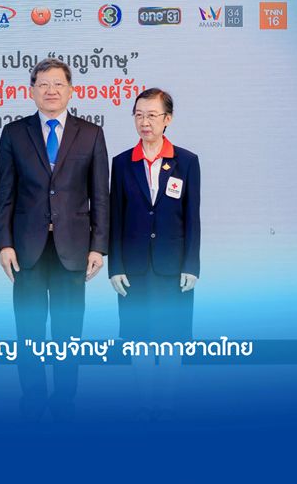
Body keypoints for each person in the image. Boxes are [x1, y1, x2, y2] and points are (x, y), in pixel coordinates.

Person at [0, 58, 109, 423]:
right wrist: (4, 244)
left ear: (71, 90)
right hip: (26, 250)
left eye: (58, 84)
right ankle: (32, 399)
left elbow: (100, 196)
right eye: (43, 84)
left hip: (73, 250)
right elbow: (4, 195)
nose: (50, 90)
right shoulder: (14, 133)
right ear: (32, 91)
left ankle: (63, 403)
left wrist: (99, 245)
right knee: (28, 331)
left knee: (68, 332)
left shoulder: (91, 133)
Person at [108, 88, 201, 423]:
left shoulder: (186, 161)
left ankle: (166, 406)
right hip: (134, 268)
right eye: (138, 115)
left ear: (167, 119)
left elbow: (192, 217)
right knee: (139, 339)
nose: (144, 122)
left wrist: (192, 265)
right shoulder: (122, 163)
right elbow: (115, 217)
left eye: (151, 115)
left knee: (172, 339)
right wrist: (115, 266)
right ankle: (146, 406)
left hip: (173, 267)